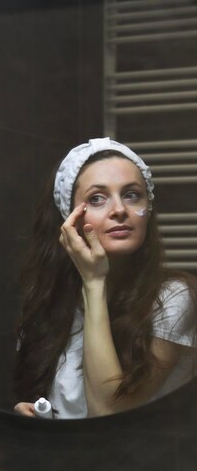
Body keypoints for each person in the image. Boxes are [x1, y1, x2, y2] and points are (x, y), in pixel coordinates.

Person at [14, 137, 197, 419]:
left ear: (148, 210)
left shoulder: (173, 297)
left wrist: (94, 282)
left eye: (132, 194)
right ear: (69, 219)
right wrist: (33, 417)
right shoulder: (48, 300)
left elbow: (108, 414)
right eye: (97, 198)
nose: (120, 210)